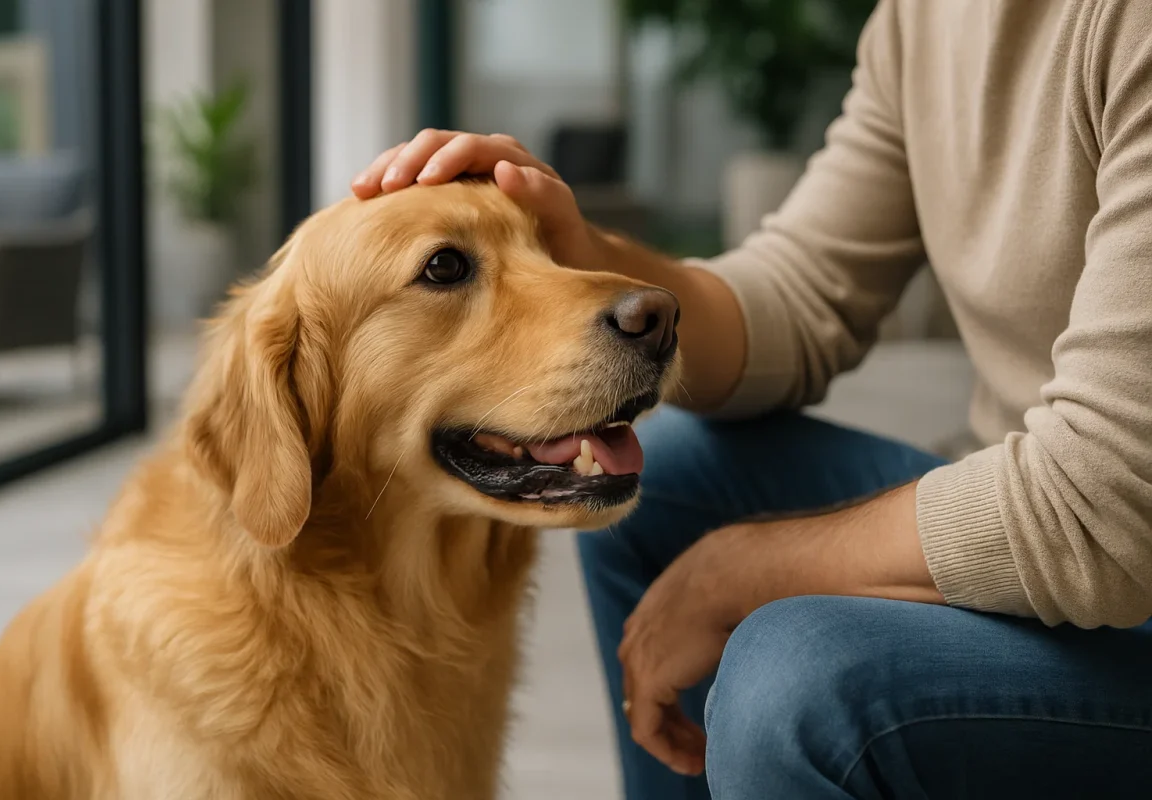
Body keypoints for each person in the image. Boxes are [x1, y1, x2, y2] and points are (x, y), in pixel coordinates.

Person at [350, 1, 1152, 796]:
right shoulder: (927, 17)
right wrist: (583, 253)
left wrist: (741, 571)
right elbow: (803, 296)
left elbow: (1102, 506)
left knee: (796, 677)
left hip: (1119, 546)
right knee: (662, 476)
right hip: (1060, 505)